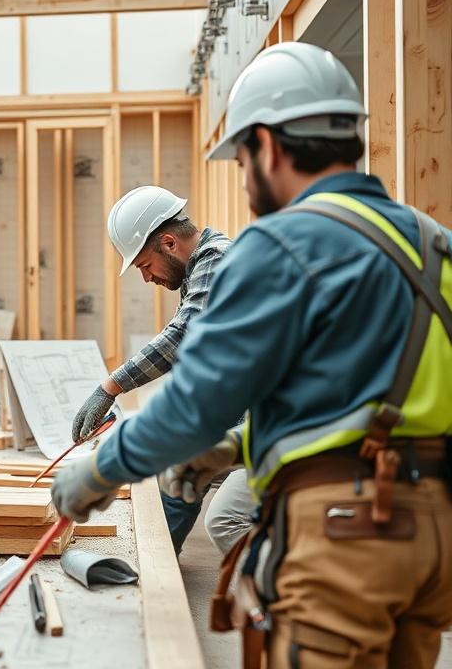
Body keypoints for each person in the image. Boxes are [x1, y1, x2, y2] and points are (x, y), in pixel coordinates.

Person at [52, 41, 452, 667]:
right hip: (436, 538)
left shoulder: (280, 246)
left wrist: (100, 471)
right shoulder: (434, 245)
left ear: (266, 146)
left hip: (344, 534)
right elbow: (362, 396)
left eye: (241, 160)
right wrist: (241, 445)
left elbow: (196, 400)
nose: (243, 180)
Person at [70, 184, 234, 553]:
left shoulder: (219, 260)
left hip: (281, 414)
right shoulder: (201, 269)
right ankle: (158, 558)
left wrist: (110, 387)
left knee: (218, 509)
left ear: (170, 243)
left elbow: (185, 336)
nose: (147, 278)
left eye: (145, 264)